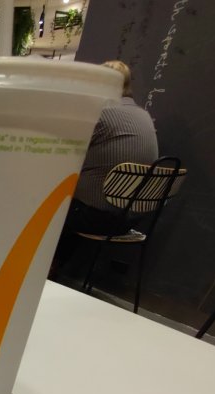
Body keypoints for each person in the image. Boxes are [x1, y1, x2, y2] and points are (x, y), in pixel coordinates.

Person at [53, 60, 159, 267]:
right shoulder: (143, 114)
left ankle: (38, 268)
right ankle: (55, 267)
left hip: (97, 218)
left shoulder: (100, 113)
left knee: (44, 201)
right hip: (131, 218)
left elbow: (61, 153)